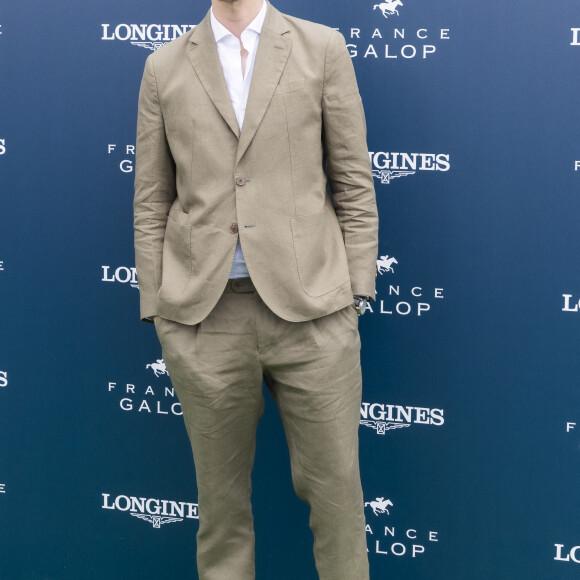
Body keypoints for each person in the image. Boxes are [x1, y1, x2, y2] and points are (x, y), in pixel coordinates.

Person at [134, 0, 378, 578]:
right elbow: (151, 200)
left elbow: (353, 181)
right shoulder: (164, 66)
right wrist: (158, 307)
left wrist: (355, 291)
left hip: (314, 316)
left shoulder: (321, 47)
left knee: (338, 503)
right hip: (204, 318)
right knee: (220, 511)